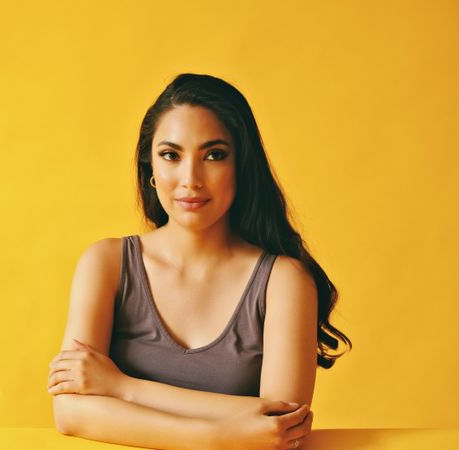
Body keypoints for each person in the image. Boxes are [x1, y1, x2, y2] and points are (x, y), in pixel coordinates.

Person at [46, 73, 352, 450]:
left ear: (241, 167)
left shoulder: (283, 281)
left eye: (214, 155)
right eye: (171, 155)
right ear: (150, 170)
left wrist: (120, 388)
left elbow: (281, 425)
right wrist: (216, 437)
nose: (190, 179)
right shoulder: (106, 263)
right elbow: (70, 412)